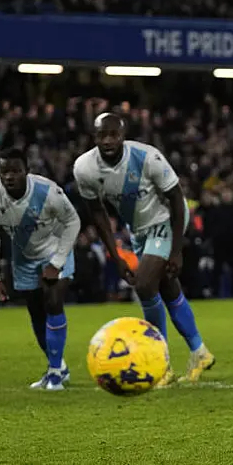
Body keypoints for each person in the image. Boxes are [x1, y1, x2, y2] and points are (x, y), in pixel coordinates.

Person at [73, 113, 214, 385]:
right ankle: (200, 352)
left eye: (114, 134)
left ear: (123, 135)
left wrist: (177, 250)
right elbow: (97, 213)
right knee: (167, 288)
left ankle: (160, 365)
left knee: (145, 285)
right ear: (94, 138)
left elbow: (175, 198)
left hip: (166, 220)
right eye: (102, 135)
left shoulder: (147, 157)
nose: (108, 140)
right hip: (139, 229)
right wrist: (115, 256)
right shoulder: (85, 168)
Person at [0, 147, 81, 390]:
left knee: (52, 301)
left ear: (27, 171)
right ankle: (56, 366)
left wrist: (56, 263)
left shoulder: (48, 192)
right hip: (23, 256)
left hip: (56, 249)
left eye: (15, 171)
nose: (9, 177)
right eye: (4, 171)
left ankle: (56, 373)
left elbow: (73, 221)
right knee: (36, 312)